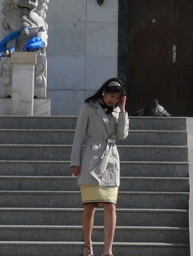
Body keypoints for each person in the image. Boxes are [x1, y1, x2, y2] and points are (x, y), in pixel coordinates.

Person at [70, 77, 129, 256]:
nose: (112, 100)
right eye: (111, 96)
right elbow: (79, 136)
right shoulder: (88, 107)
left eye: (116, 97)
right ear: (103, 92)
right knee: (89, 206)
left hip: (110, 159)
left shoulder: (118, 110)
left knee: (110, 205)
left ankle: (108, 250)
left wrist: (123, 111)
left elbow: (122, 135)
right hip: (91, 157)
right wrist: (75, 162)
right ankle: (88, 246)